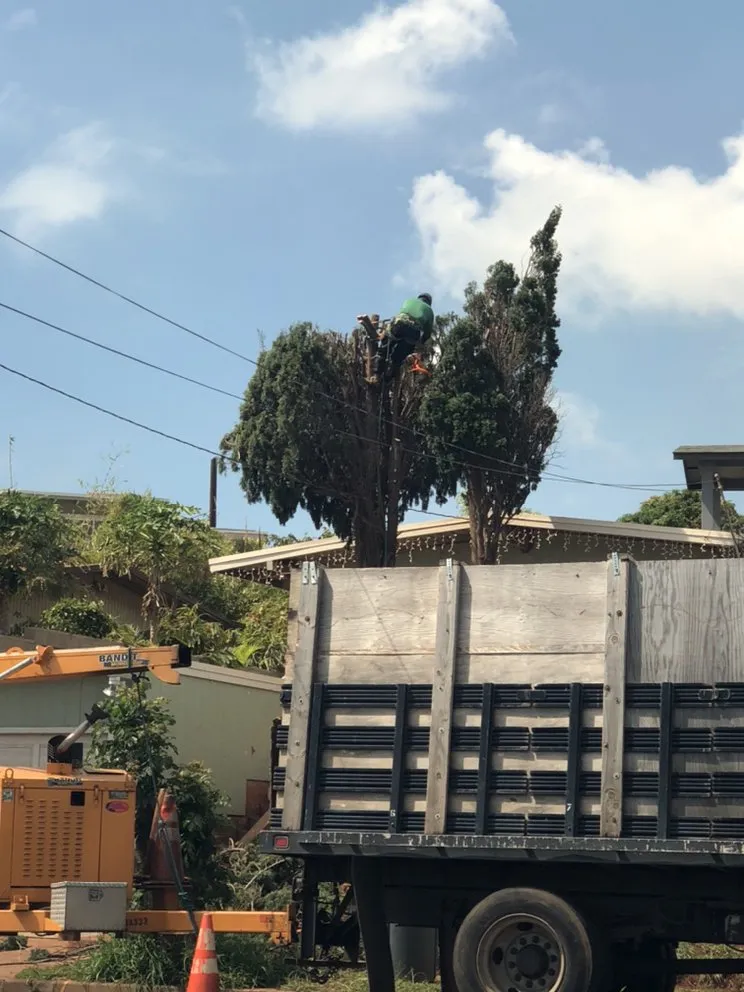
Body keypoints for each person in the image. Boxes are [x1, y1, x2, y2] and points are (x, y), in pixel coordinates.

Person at [368, 293, 434, 384]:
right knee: (399, 357)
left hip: (399, 325)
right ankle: (388, 378)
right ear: (429, 302)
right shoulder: (429, 310)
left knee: (383, 350)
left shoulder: (409, 300)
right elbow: (427, 333)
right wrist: (420, 343)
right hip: (413, 332)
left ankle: (376, 376)